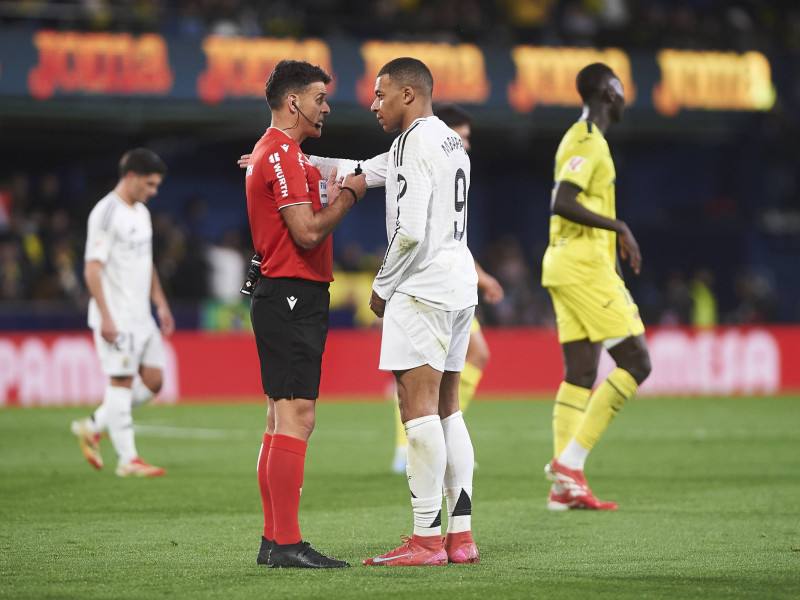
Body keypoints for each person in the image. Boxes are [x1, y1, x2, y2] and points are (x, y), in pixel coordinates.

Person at [245, 59, 367, 569]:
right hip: (291, 292)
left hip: (282, 293)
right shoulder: (281, 154)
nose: (327, 106)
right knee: (298, 416)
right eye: (320, 97)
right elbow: (309, 232)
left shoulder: (272, 152)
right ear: (293, 101)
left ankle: (275, 542)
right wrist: (349, 197)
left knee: (279, 417)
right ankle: (287, 544)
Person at [360, 57, 479, 566]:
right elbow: (367, 170)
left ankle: (425, 539)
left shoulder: (411, 144)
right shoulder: (450, 141)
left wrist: (382, 286)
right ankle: (461, 535)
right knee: (449, 406)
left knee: (418, 409)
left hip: (421, 288)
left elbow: (408, 231)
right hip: (459, 283)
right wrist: (309, 168)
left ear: (408, 94)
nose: (374, 102)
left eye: (381, 92)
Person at [541, 62, 652, 511]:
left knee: (582, 372)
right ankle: (570, 464)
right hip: (582, 266)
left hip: (573, 265)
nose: (626, 95)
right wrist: (621, 226)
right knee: (637, 362)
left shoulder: (587, 138)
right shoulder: (586, 138)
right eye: (622, 87)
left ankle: (563, 490)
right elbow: (562, 200)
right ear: (609, 91)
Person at [389, 103, 504, 474]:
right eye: (463, 137)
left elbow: (451, 236)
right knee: (418, 379)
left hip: (451, 285)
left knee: (466, 362)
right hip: (429, 287)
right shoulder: (428, 159)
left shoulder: (450, 164)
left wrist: (481, 276)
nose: (466, 145)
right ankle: (406, 446)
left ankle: (430, 438)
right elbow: (415, 232)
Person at [70, 148, 174, 477]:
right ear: (131, 177)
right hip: (116, 314)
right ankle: (128, 460)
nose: (154, 191)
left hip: (142, 314)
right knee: (122, 382)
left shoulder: (141, 212)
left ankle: (92, 425)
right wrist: (106, 316)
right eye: (150, 184)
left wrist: (161, 302)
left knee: (155, 381)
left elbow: (147, 263)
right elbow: (91, 269)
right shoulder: (105, 213)